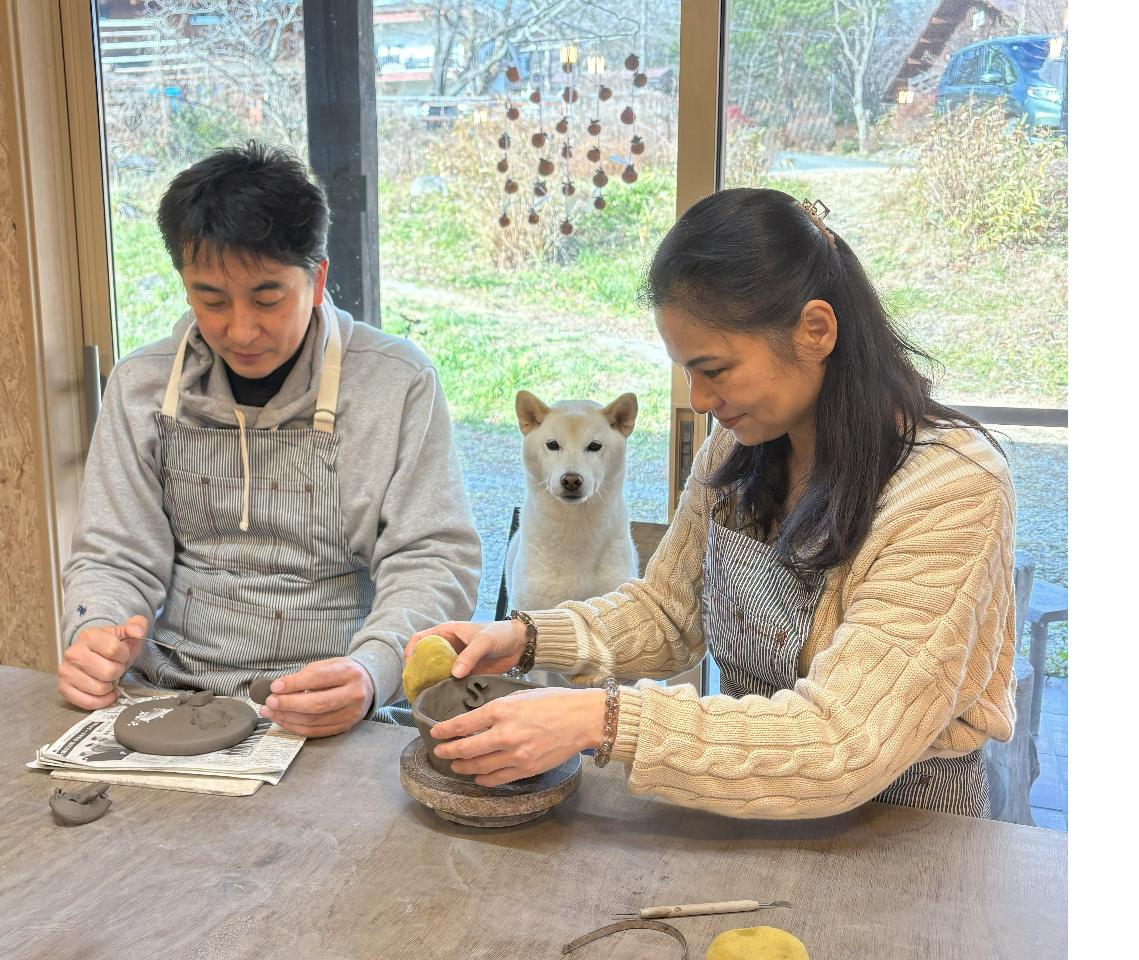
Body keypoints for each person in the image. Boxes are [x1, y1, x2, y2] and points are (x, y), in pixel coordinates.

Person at [407, 188, 1017, 819]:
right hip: (740, 811)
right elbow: (670, 612)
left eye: (715, 370)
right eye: (686, 373)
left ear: (815, 331)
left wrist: (603, 719)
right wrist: (528, 639)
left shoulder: (951, 489)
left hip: (904, 835)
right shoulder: (742, 445)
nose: (698, 399)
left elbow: (842, 744)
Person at [58, 143, 482, 737]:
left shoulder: (397, 382)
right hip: (173, 694)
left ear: (316, 278)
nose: (241, 329)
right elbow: (112, 555)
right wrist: (94, 631)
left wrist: (370, 670)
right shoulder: (141, 388)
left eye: (267, 297)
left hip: (337, 699)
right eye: (211, 300)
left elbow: (433, 558)